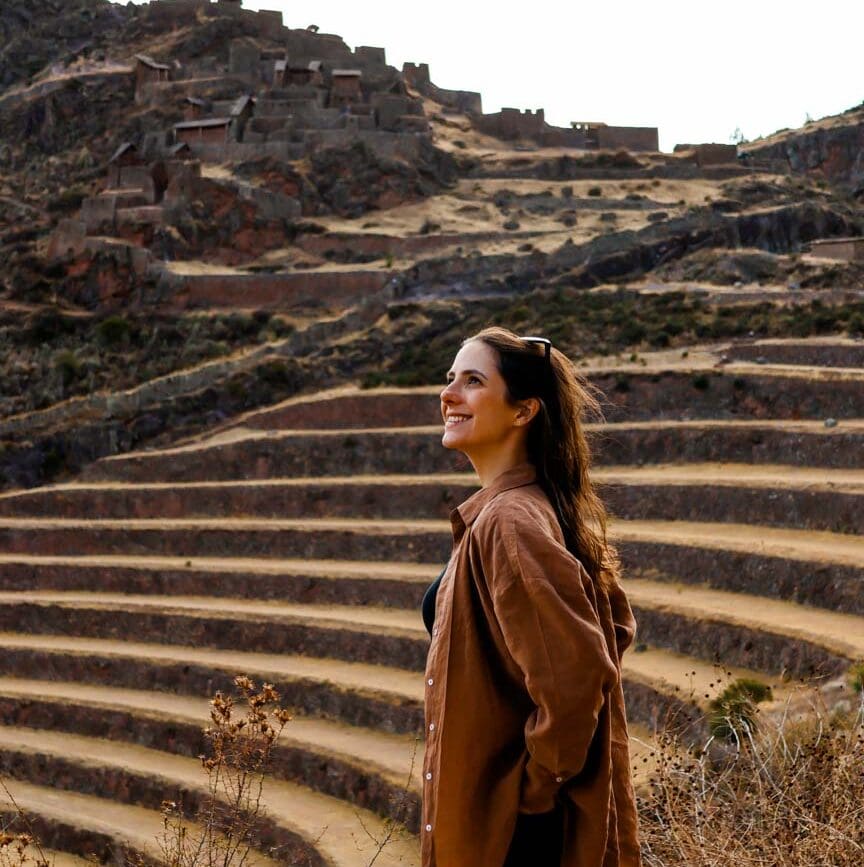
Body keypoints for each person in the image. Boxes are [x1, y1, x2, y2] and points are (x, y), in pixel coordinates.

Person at [420, 327, 641, 867]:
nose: (449, 394)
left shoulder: (510, 522)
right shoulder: (521, 511)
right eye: (451, 379)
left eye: (472, 381)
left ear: (523, 411)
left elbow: (575, 677)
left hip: (515, 839)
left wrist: (531, 795)